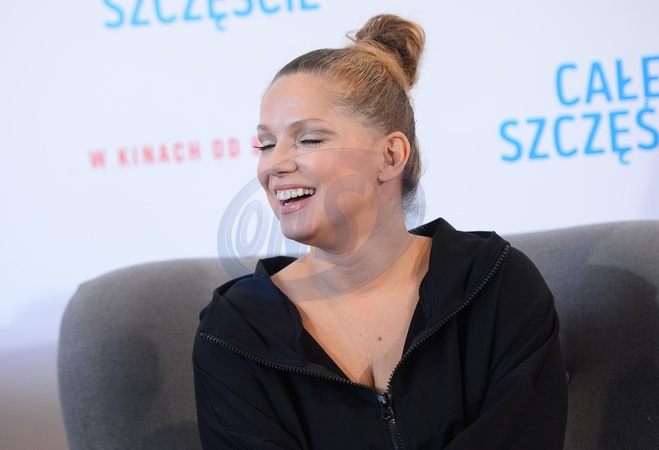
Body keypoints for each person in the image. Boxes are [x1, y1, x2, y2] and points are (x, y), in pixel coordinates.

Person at [193, 13, 568, 449]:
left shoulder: (496, 285)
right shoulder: (235, 332)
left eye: (309, 139)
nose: (274, 165)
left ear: (390, 156)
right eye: (267, 144)